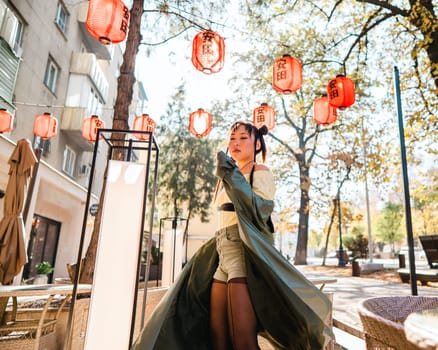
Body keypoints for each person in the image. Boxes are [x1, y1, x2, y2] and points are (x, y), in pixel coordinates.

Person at [132, 120, 333, 350]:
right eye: (232, 138)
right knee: (218, 338)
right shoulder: (227, 174)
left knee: (243, 341)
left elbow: (260, 209)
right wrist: (229, 174)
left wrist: (232, 175)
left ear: (257, 144)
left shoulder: (259, 171)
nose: (236, 143)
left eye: (243, 138)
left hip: (242, 249)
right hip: (222, 253)